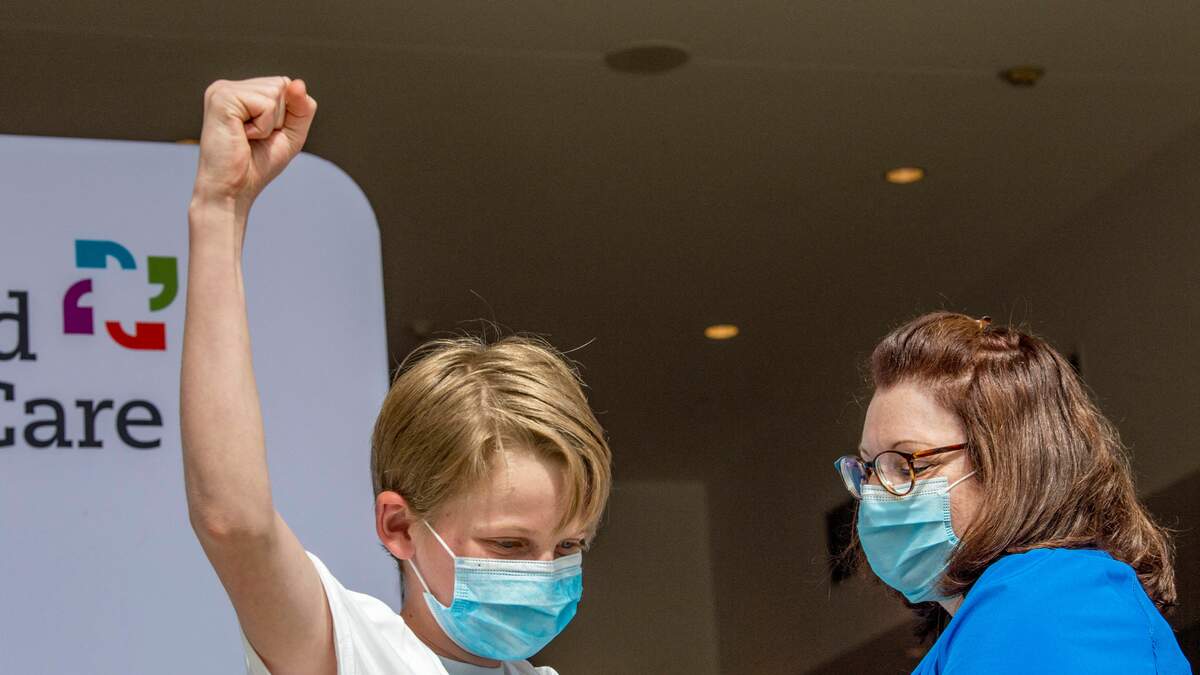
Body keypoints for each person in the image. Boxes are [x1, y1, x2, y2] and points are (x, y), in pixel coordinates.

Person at [182, 76, 612, 675]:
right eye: (509, 545)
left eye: (567, 546)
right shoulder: (356, 652)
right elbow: (236, 522)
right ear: (399, 525)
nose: (542, 576)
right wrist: (219, 209)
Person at [834, 312, 1191, 674]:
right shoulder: (982, 630)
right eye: (869, 468)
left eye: (910, 463)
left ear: (1009, 465)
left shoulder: (1054, 598)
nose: (875, 493)